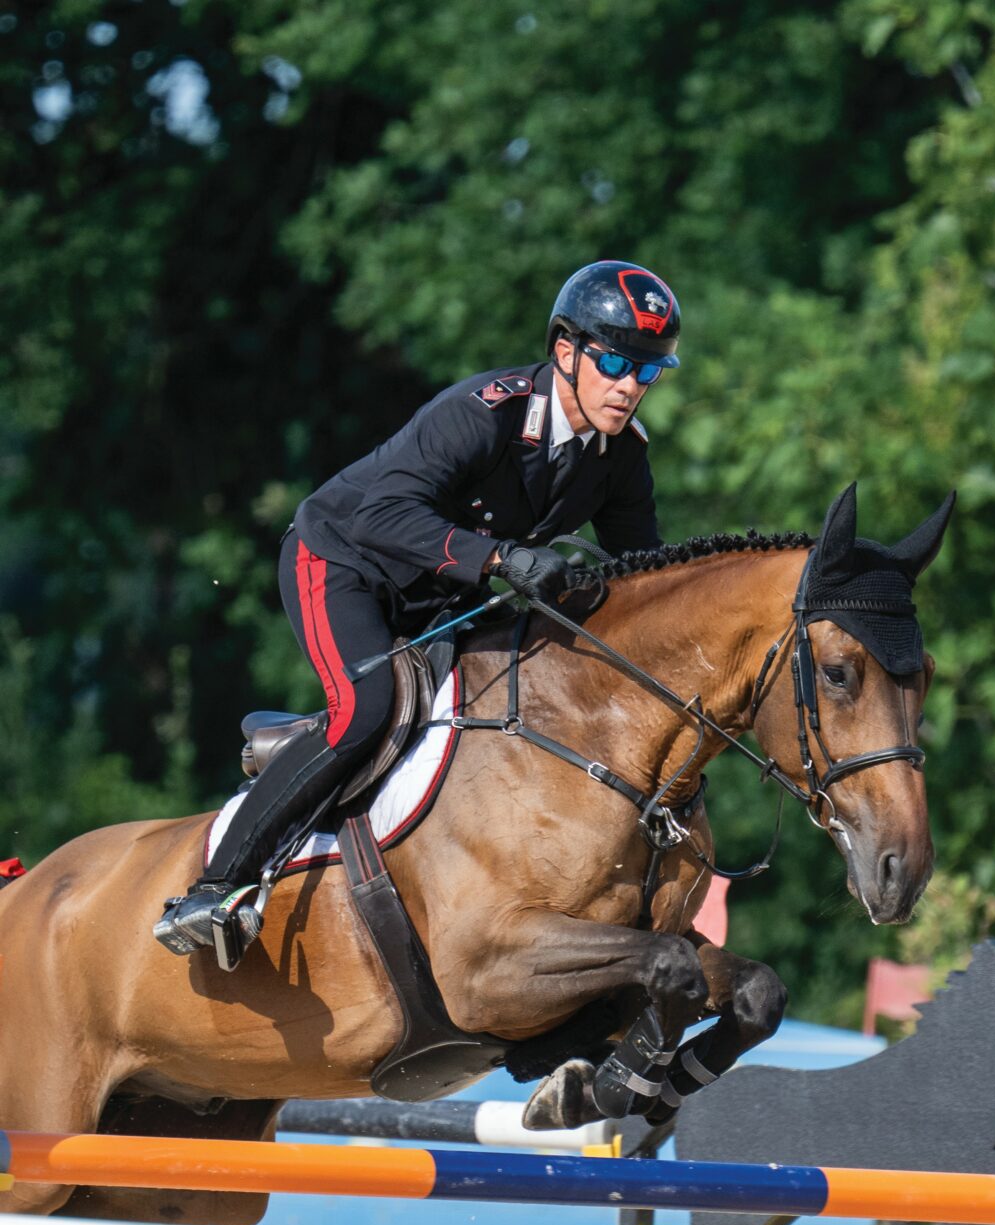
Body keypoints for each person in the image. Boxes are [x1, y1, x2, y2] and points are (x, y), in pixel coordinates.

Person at [154, 259, 681, 957]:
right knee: (365, 709)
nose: (628, 386)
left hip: (443, 595)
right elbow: (381, 515)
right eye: (614, 362)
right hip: (341, 561)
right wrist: (502, 559)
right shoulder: (483, 413)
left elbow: (644, 575)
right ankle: (215, 888)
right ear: (565, 351)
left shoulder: (621, 457)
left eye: (646, 371)